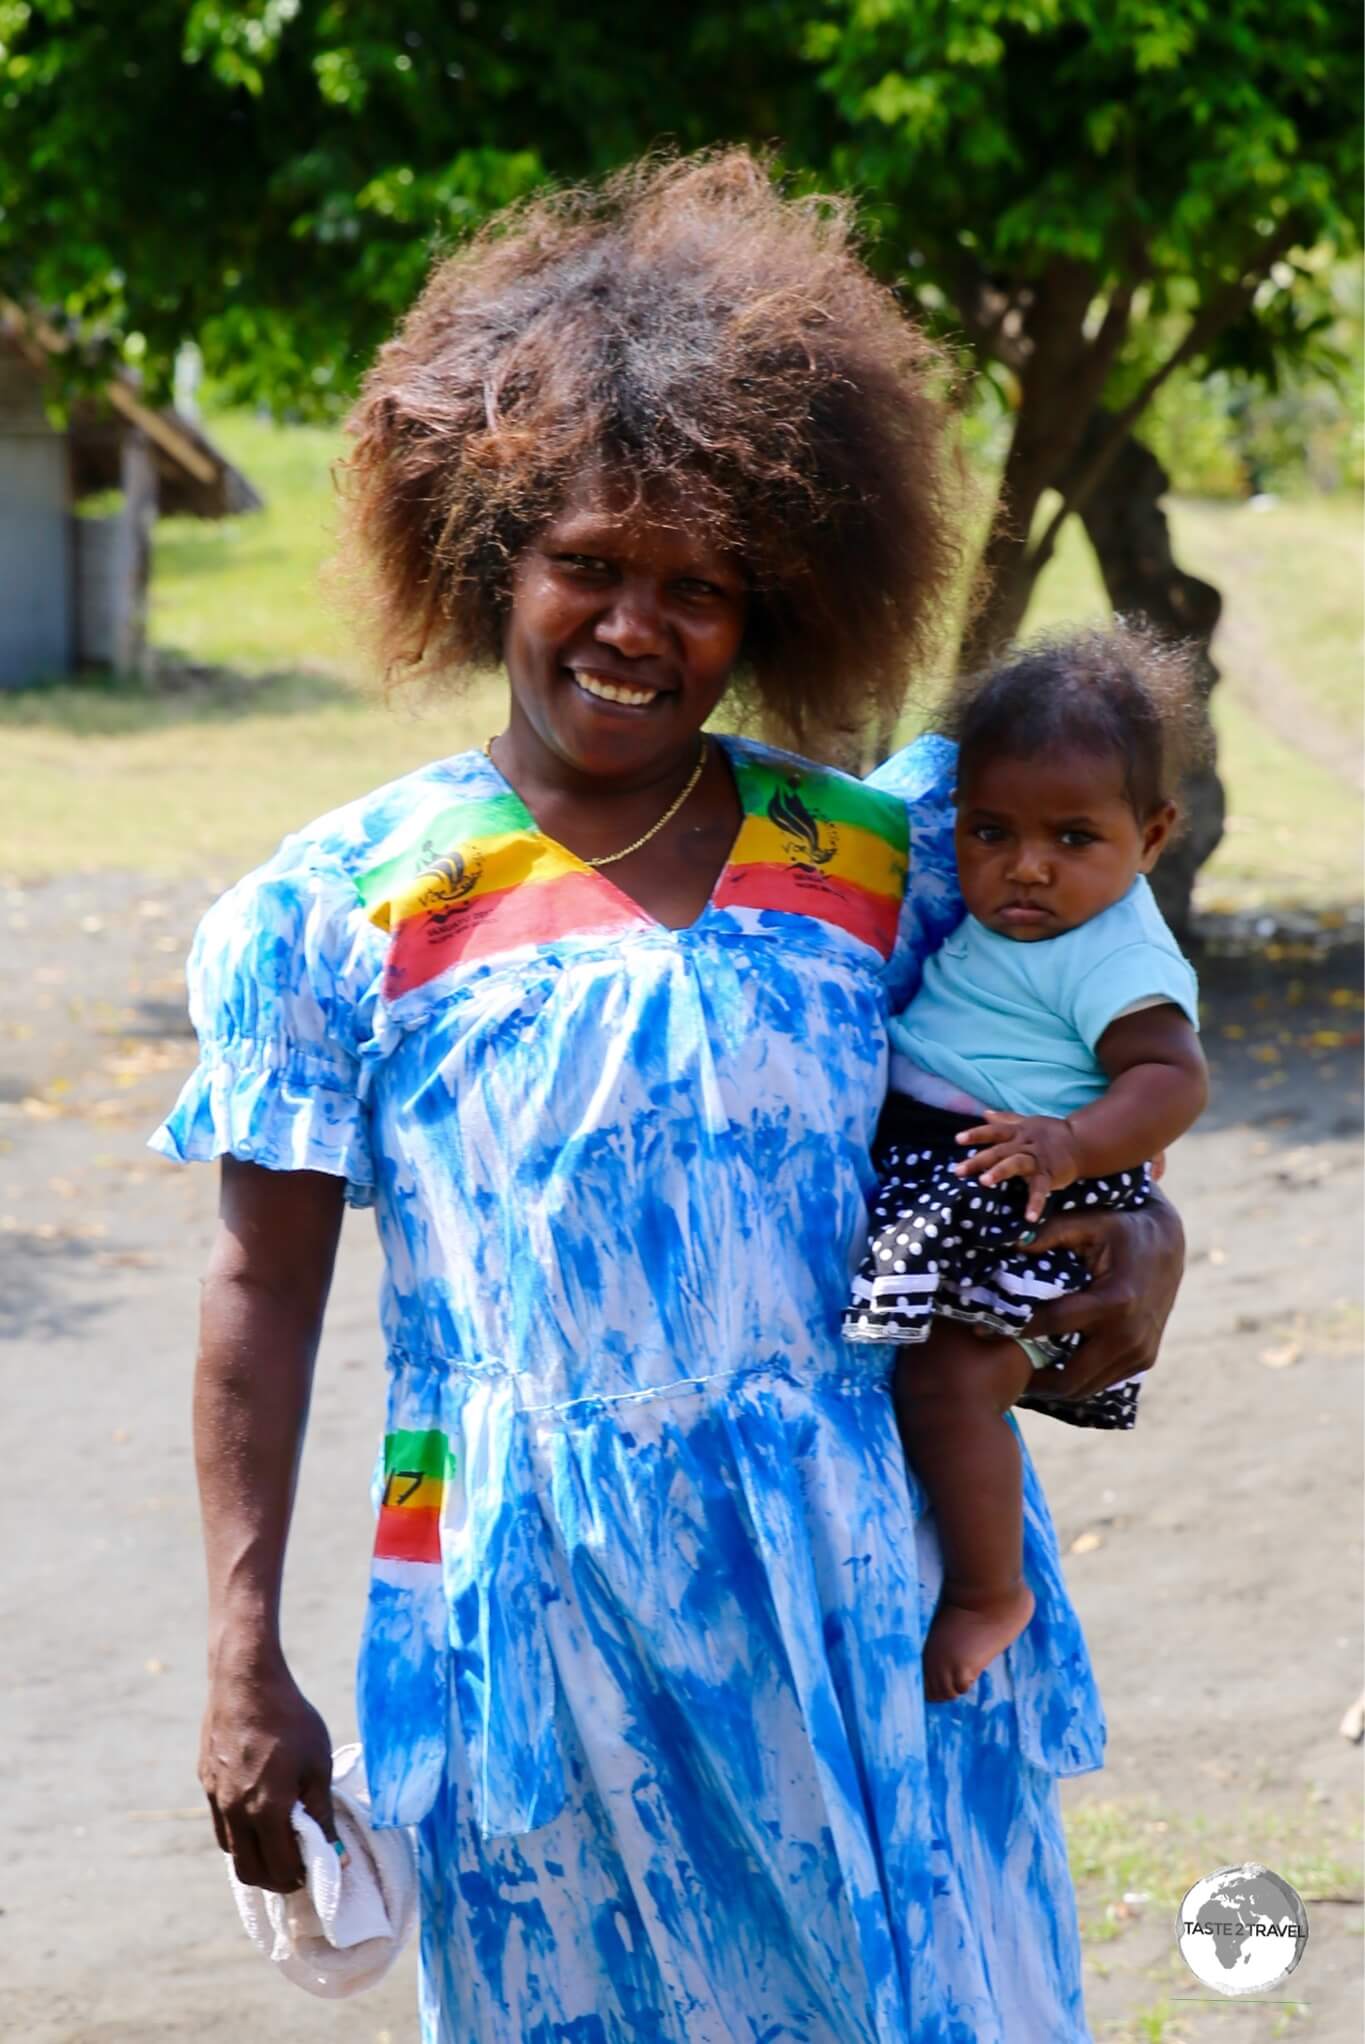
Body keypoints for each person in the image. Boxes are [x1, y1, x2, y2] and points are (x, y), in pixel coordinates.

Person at [151, 153, 1186, 2044]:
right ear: (489, 555)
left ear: (771, 603)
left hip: (863, 1577)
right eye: (591, 564)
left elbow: (1059, 1072)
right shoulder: (337, 910)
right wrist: (241, 1649)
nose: (636, 625)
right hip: (535, 1625)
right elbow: (259, 1290)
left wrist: (1148, 1230)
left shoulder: (883, 860)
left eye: (698, 587)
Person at [844, 627, 1209, 1704]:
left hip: (1035, 1181)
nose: (1027, 865)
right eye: (991, 831)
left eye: (1072, 837)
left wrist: (1073, 1140)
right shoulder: (1029, 913)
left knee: (955, 1373)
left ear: (1151, 837)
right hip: (965, 1166)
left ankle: (987, 1589)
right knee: (931, 1371)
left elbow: (1172, 1077)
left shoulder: (1116, 949)